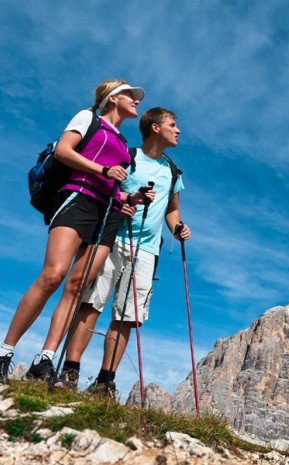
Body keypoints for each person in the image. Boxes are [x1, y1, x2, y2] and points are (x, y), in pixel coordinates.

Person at [0, 79, 154, 384]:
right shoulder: (88, 118)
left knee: (77, 288)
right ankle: (2, 354)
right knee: (53, 275)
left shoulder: (123, 146)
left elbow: (115, 186)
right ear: (112, 98)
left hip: (109, 213)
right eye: (131, 95)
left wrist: (133, 199)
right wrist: (101, 170)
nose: (137, 101)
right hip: (78, 198)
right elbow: (64, 151)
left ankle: (45, 359)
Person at [57, 107, 191, 396]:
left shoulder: (172, 171)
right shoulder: (126, 157)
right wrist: (123, 200)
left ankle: (105, 381)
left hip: (148, 250)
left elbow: (172, 209)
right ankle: (70, 370)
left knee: (128, 315)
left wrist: (178, 228)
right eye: (173, 124)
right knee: (92, 302)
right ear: (155, 127)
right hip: (112, 238)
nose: (178, 130)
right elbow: (104, 188)